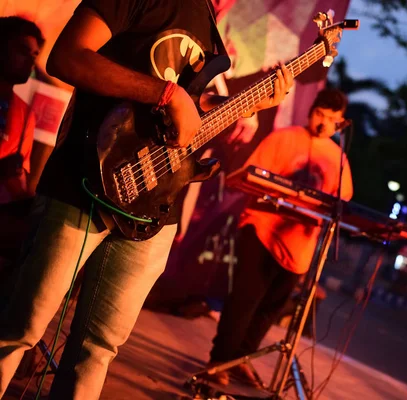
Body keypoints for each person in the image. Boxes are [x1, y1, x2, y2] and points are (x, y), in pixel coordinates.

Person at [0, 0, 293, 398]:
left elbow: (187, 118)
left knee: (97, 350)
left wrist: (244, 106)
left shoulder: (208, 25)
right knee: (21, 329)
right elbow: (67, 57)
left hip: (156, 209)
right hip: (86, 184)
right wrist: (165, 93)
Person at [207, 88, 353, 386]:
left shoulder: (338, 158)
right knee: (244, 301)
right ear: (311, 112)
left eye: (331, 119)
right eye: (319, 115)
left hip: (299, 245)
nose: (323, 123)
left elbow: (343, 200)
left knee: (270, 308)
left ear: (340, 124)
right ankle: (219, 360)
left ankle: (241, 359)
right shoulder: (283, 138)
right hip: (262, 229)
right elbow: (253, 176)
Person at [0, 16, 43, 204]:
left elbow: (18, 177)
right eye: (23, 51)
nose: (30, 61)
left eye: (34, 55)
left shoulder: (24, 112)